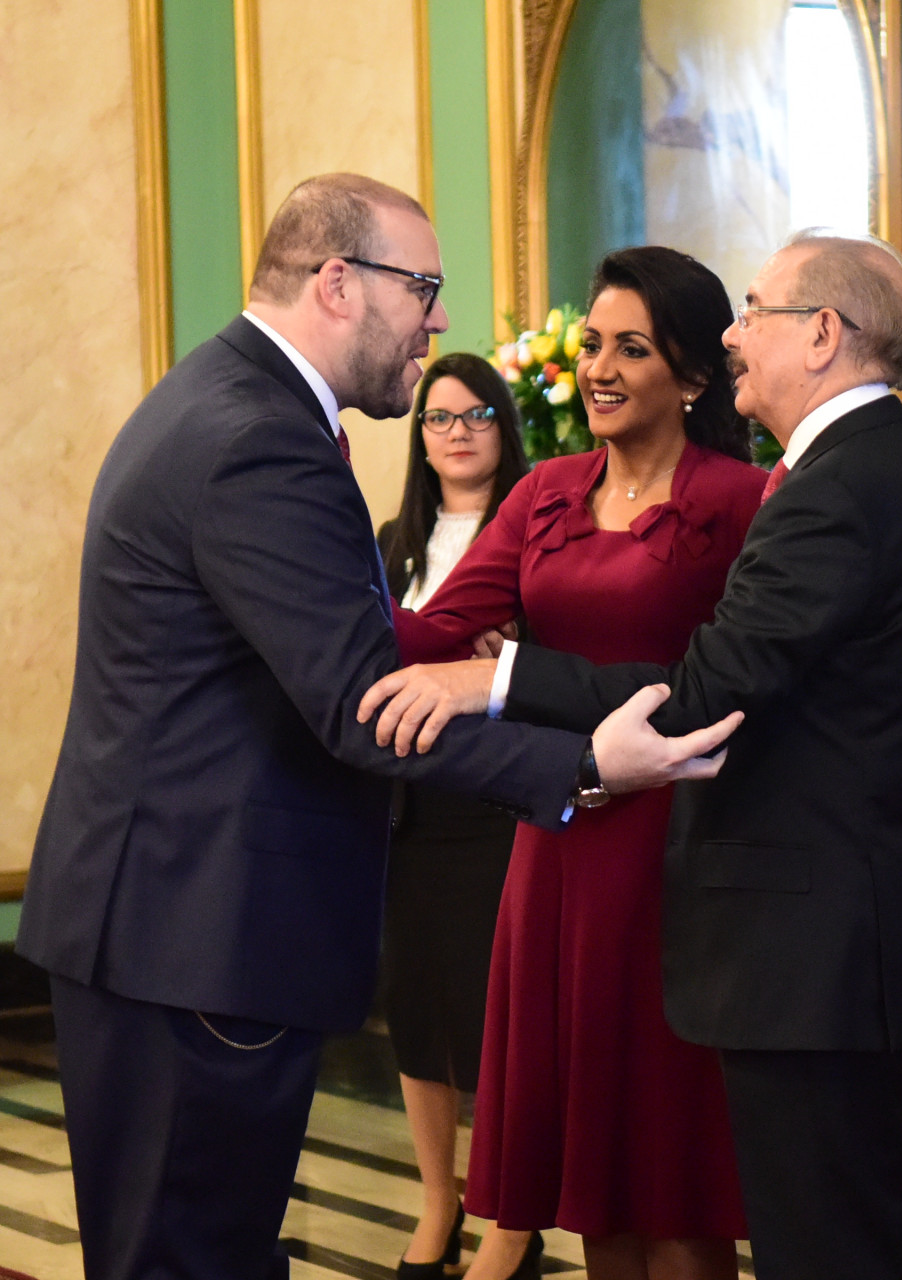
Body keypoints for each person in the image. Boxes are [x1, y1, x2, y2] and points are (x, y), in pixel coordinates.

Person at [13, 173, 739, 1280]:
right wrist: (589, 763)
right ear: (339, 283)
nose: (439, 323)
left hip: (161, 917)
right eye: (424, 289)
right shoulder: (260, 439)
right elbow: (363, 702)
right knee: (191, 1255)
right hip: (199, 933)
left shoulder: (221, 398)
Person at [362, 231, 902, 1280]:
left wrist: (496, 681)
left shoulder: (830, 488)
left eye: (755, 312)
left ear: (823, 333)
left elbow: (702, 695)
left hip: (802, 940)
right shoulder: (856, 470)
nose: (736, 335)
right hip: (794, 929)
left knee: (811, 1243)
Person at [391, 246, 766, 1280]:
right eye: (593, 343)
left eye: (631, 348)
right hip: (559, 843)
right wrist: (300, 597)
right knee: (594, 1173)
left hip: (681, 856)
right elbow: (433, 633)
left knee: (675, 1172)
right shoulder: (544, 492)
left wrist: (503, 676)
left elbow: (729, 686)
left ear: (692, 375)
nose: (598, 368)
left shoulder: (746, 499)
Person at [375, 353, 531, 1278]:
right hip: (409, 809)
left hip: (497, 807)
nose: (459, 431)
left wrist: (512, 657)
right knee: (416, 1009)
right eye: (439, 418)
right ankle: (440, 1204)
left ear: (504, 429)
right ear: (421, 439)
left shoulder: (537, 532)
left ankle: (510, 1219)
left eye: (478, 415)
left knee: (492, 1017)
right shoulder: (391, 541)